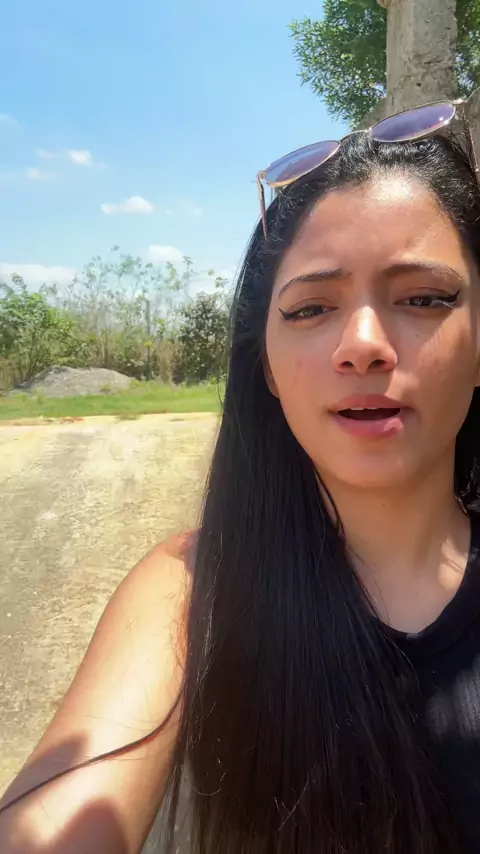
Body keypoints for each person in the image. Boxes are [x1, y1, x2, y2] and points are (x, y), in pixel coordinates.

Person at [2, 109, 480, 854]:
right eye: (311, 308)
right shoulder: (191, 591)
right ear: (267, 369)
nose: (362, 345)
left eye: (423, 298)